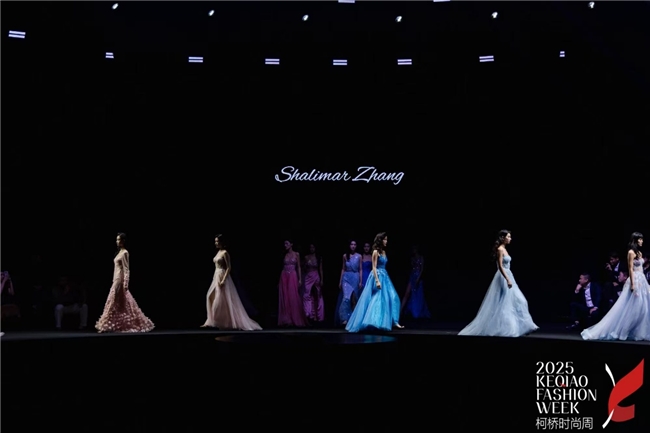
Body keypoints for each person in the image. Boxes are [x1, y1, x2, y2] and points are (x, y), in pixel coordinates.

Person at [458, 230, 538, 337]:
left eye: (510, 236)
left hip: (509, 275)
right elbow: (500, 266)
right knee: (505, 303)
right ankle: (510, 329)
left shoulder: (504, 249)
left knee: (519, 300)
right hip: (503, 277)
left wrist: (509, 278)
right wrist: (507, 279)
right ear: (502, 238)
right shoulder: (500, 249)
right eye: (508, 236)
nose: (510, 238)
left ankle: (525, 327)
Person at [582, 232, 650, 341]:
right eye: (640, 239)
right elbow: (630, 269)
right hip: (634, 279)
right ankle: (622, 331)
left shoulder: (640, 253)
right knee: (632, 308)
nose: (641, 241)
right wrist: (633, 284)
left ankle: (638, 332)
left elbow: (641, 268)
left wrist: (645, 283)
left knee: (643, 308)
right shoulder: (631, 252)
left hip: (641, 280)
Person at [96, 233, 155, 333]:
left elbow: (126, 269)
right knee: (118, 302)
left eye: (119, 240)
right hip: (116, 279)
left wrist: (126, 283)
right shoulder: (119, 252)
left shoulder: (125, 253)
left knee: (115, 301)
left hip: (120, 280)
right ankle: (110, 325)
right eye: (117, 240)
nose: (117, 242)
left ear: (123, 241)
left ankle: (106, 326)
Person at [201, 235, 261, 330]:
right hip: (216, 276)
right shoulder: (218, 252)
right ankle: (210, 320)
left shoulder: (225, 253)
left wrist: (223, 280)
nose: (216, 243)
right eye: (215, 241)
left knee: (222, 300)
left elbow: (229, 267)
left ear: (222, 242)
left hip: (222, 276)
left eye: (217, 241)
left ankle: (219, 322)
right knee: (209, 297)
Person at [346, 233, 403, 332]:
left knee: (393, 297)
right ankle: (374, 321)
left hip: (385, 276)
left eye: (386, 239)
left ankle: (393, 321)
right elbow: (374, 267)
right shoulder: (375, 252)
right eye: (385, 239)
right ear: (380, 240)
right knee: (377, 298)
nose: (386, 241)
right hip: (377, 275)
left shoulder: (384, 252)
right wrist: (377, 280)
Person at [277, 239, 309, 327]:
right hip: (284, 275)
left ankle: (295, 317)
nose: (285, 245)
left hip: (292, 275)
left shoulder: (296, 254)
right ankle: (287, 319)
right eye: (284, 243)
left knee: (293, 296)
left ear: (291, 244)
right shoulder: (284, 254)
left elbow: (298, 267)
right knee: (285, 297)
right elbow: (282, 267)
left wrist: (300, 279)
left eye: (287, 243)